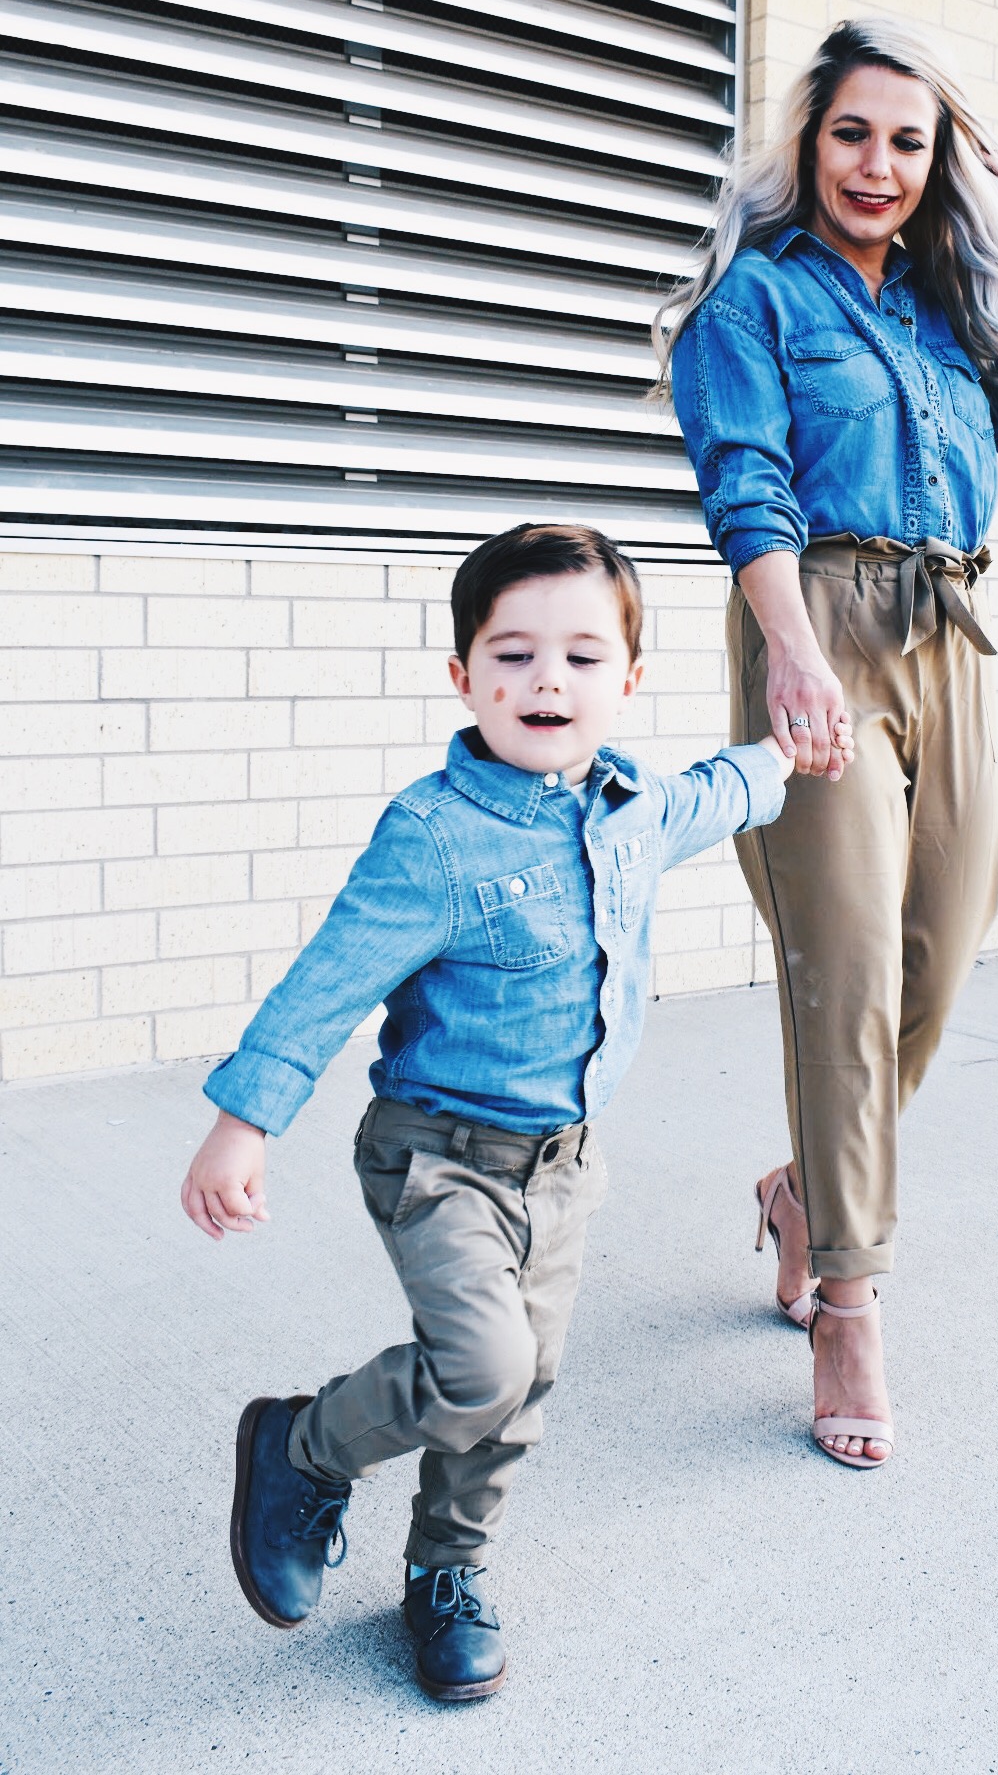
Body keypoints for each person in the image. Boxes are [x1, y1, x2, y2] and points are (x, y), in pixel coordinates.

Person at [179, 523, 820, 1701]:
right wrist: (245, 1122)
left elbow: (723, 792)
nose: (546, 682)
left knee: (518, 1390)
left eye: (582, 657)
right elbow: (329, 979)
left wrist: (794, 751)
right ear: (462, 676)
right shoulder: (432, 836)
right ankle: (302, 1447)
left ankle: (445, 1572)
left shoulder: (635, 808)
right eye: (512, 654)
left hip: (563, 1172)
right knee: (480, 1368)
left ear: (627, 680)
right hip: (436, 1157)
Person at [661, 18, 998, 1470]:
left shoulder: (946, 317)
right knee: (843, 969)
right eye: (854, 133)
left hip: (952, 631)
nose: (878, 164)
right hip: (821, 618)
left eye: (909, 141)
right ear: (811, 143)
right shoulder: (757, 305)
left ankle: (807, 1192)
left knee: (942, 947)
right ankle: (849, 1303)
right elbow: (746, 491)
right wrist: (793, 658)